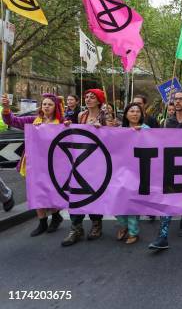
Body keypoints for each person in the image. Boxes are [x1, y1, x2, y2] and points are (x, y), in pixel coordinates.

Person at [2, 93, 64, 236]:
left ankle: (55, 217)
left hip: (51, 165)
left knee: (49, 193)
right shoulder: (33, 120)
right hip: (33, 164)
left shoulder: (61, 123)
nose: (46, 106)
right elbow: (11, 120)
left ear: (55, 107)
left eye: (50, 104)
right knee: (35, 192)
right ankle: (42, 222)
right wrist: (6, 108)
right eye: (44, 104)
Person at [149, 91, 182, 250]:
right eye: (175, 99)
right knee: (168, 198)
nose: (177, 102)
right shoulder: (166, 122)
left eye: (181, 99)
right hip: (171, 164)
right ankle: (162, 236)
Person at [61, 88, 107, 246]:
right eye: (86, 97)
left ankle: (96, 224)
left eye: (92, 97)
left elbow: (115, 135)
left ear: (99, 100)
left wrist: (105, 129)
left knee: (94, 193)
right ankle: (76, 228)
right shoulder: (81, 115)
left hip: (98, 162)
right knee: (76, 194)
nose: (88, 99)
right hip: (80, 161)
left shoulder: (106, 115)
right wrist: (67, 125)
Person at [115, 102, 150, 245]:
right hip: (120, 171)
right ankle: (123, 225)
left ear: (141, 115)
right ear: (126, 114)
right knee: (116, 199)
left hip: (138, 171)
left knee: (131, 201)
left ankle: (133, 231)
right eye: (132, 111)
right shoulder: (119, 130)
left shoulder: (147, 129)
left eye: (137, 111)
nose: (135, 114)